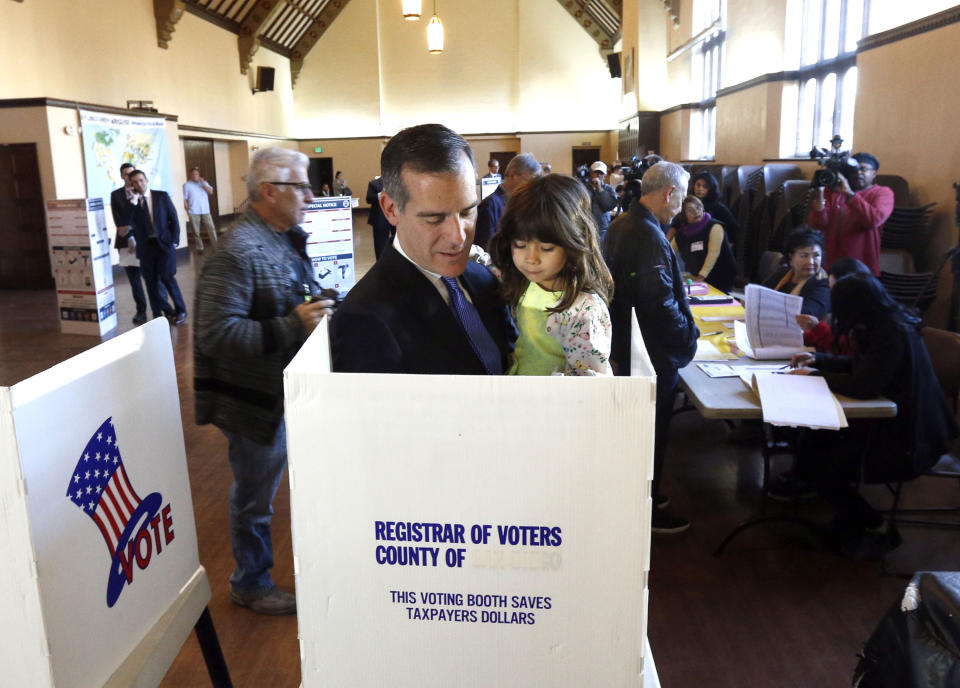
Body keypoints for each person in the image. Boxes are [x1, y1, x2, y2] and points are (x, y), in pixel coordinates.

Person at [194, 147, 335, 614]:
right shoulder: (235, 253)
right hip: (254, 403)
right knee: (255, 499)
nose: (312, 197)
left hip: (286, 392)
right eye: (302, 187)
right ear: (269, 192)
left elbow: (295, 297)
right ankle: (249, 582)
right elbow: (215, 335)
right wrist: (294, 324)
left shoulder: (283, 237)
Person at [785, 274, 957, 558]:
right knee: (811, 446)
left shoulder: (891, 333)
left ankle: (875, 525)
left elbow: (864, 385)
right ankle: (849, 518)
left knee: (823, 465)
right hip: (895, 422)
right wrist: (822, 360)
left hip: (909, 438)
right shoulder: (884, 323)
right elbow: (866, 367)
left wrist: (817, 376)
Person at [331, 123, 516, 374]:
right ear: (390, 209)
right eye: (434, 218)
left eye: (466, 211)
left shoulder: (484, 280)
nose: (458, 237)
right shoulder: (364, 318)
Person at [604, 161, 699, 533]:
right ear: (670, 194)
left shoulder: (622, 224)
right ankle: (646, 509)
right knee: (651, 435)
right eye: (682, 197)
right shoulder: (647, 234)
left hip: (631, 347)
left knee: (641, 435)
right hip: (650, 354)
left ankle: (646, 494)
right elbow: (660, 303)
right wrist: (686, 340)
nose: (681, 205)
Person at [488, 174, 614, 376]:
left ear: (573, 242)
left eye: (546, 248)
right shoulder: (526, 279)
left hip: (553, 402)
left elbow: (588, 383)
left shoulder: (583, 311)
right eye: (520, 244)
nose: (531, 258)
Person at [807, 152, 894, 275]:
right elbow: (818, 224)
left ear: (874, 173)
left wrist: (849, 194)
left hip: (862, 266)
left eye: (863, 169)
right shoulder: (834, 192)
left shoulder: (882, 193)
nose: (858, 173)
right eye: (854, 170)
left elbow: (873, 220)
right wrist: (820, 192)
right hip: (830, 264)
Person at [111, 162, 170, 325]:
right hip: (126, 243)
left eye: (132, 174)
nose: (130, 178)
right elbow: (119, 221)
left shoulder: (147, 194)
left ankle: (162, 309)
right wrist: (130, 237)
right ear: (122, 177)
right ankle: (141, 311)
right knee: (134, 279)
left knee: (156, 278)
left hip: (148, 244)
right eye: (126, 175)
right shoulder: (116, 195)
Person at [127, 169, 188, 324]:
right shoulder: (132, 202)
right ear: (132, 185)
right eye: (135, 182)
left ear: (146, 180)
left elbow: (173, 218)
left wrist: (174, 241)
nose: (139, 184)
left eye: (141, 180)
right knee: (151, 282)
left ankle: (181, 311)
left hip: (164, 245)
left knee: (168, 278)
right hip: (146, 248)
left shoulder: (161, 196)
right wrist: (133, 203)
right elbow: (129, 223)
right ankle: (157, 314)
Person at [796, 257, 873, 352]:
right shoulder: (844, 310)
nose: (832, 295)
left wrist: (817, 328)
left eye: (837, 291)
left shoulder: (871, 317)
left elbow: (848, 348)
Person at [668, 195, 736, 293]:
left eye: (698, 207)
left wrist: (701, 277)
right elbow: (669, 252)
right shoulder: (681, 234)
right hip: (698, 277)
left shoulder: (715, 227)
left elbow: (713, 254)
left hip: (720, 277)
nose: (696, 212)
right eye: (690, 210)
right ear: (683, 214)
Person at [473, 153, 542, 249]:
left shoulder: (521, 204)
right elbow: (483, 250)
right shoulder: (489, 205)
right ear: (513, 175)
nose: (531, 188)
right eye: (528, 182)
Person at [762, 225, 831, 319]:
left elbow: (806, 315)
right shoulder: (782, 273)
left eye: (816, 256)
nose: (810, 262)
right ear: (791, 258)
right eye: (804, 255)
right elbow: (760, 295)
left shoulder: (822, 284)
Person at [690, 170, 740, 251]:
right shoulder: (690, 203)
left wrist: (726, 247)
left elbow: (734, 228)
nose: (700, 189)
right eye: (698, 185)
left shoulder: (718, 207)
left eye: (705, 186)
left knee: (688, 249)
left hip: (711, 245)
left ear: (711, 189)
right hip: (698, 243)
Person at [182, 166, 218, 252]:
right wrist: (188, 211)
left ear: (199, 175)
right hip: (193, 211)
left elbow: (211, 192)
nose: (195, 176)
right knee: (196, 231)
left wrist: (203, 183)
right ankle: (200, 248)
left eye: (197, 174)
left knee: (211, 228)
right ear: (190, 175)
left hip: (205, 210)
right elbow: (184, 199)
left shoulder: (204, 183)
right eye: (193, 174)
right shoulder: (186, 185)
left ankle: (216, 247)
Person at [365, 175, 395, 259]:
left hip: (396, 217)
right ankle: (381, 262)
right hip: (379, 218)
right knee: (380, 244)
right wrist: (380, 195)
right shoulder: (374, 184)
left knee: (398, 241)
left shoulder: (398, 182)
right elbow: (368, 199)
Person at [587, 161, 618, 238]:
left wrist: (599, 189)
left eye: (601, 173)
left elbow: (608, 206)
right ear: (590, 172)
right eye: (596, 172)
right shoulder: (583, 187)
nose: (598, 175)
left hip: (602, 229)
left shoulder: (609, 189)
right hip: (586, 227)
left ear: (605, 175)